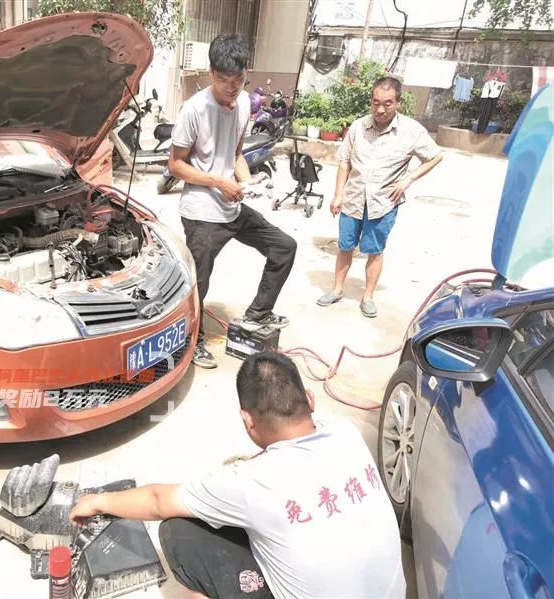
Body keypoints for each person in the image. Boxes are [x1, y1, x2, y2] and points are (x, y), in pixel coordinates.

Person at [70, 352, 406, 599]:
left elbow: (159, 502)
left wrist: (98, 501)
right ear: (310, 399)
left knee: (180, 531)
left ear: (247, 420)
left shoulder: (252, 482)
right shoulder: (346, 432)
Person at [169, 34, 297, 369]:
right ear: (211, 73)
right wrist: (217, 181)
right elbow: (175, 164)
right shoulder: (194, 109)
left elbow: (236, 153)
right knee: (198, 282)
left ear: (246, 72)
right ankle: (189, 342)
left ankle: (257, 315)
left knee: (284, 247)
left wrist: (246, 180)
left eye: (237, 80)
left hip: (231, 205)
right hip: (201, 211)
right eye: (223, 80)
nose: (230, 87)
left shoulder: (242, 103)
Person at [317, 76, 443, 318]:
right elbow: (344, 161)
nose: (380, 109)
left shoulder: (411, 131)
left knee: (374, 250)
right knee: (345, 247)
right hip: (353, 199)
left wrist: (409, 178)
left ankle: (368, 296)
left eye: (387, 103)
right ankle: (336, 289)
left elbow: (435, 156)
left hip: (383, 203)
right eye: (375, 103)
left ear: (398, 103)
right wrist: (338, 194)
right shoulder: (358, 127)